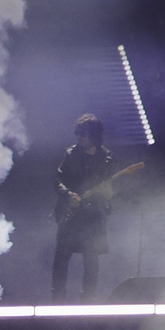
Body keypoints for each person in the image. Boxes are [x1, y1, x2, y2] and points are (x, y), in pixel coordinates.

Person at [53, 114, 138, 300]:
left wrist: (109, 194)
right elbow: (58, 180)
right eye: (78, 134)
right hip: (72, 213)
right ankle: (57, 301)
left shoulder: (108, 159)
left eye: (83, 134)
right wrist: (68, 195)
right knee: (62, 256)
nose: (79, 138)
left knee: (91, 258)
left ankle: (87, 303)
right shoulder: (71, 154)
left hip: (93, 215)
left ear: (94, 135)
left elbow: (111, 189)